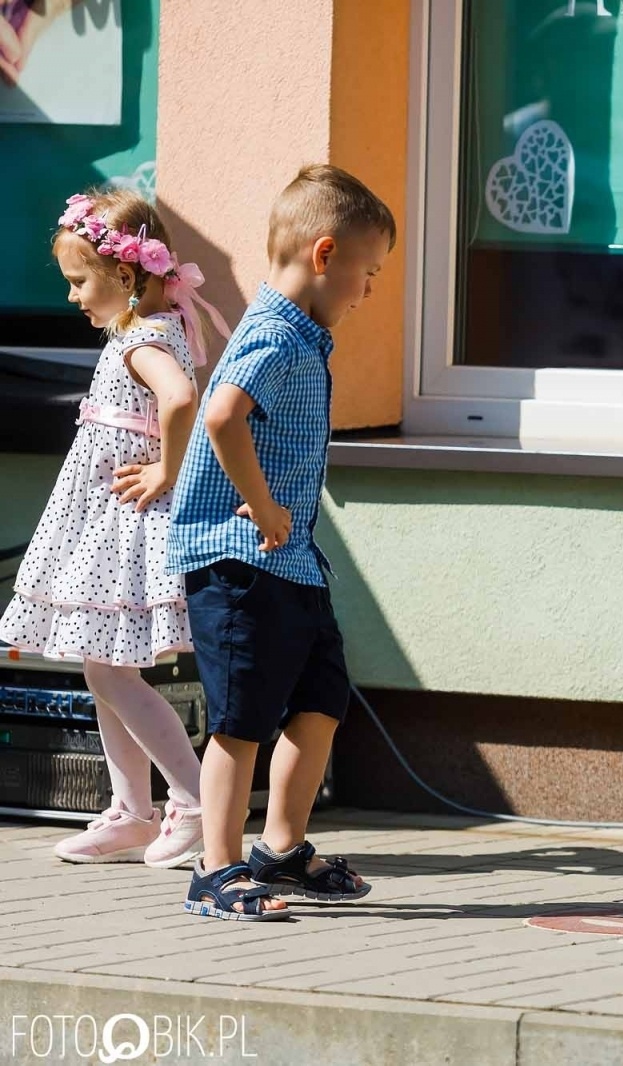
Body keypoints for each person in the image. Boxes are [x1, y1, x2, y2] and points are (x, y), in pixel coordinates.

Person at [166, 164, 394, 920]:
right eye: (368, 272)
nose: (369, 290)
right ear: (325, 254)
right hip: (239, 558)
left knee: (321, 698)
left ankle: (283, 848)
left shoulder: (302, 336)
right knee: (242, 717)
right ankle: (216, 868)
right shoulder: (274, 335)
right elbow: (222, 415)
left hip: (291, 561)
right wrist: (261, 505)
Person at [1, 188, 229, 869]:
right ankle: (132, 811)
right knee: (104, 667)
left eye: (80, 281)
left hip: (123, 527)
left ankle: (193, 799)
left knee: (110, 671)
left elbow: (182, 398)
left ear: (126, 275)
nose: (72, 296)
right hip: (105, 523)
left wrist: (166, 469)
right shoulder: (145, 330)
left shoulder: (143, 340)